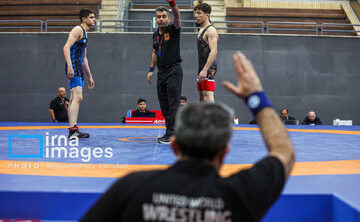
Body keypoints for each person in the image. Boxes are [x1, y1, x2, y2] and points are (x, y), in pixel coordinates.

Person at [80, 52, 295, 222]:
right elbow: (284, 153)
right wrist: (256, 98)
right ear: (224, 152)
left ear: (174, 146)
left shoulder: (131, 187)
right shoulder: (240, 195)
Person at [147, 0, 183, 144]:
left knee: (173, 103)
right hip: (161, 72)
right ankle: (170, 132)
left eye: (163, 16)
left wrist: (172, 3)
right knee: (164, 104)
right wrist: (150, 70)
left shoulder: (173, 29)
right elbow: (155, 52)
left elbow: (177, 16)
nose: (161, 19)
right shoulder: (156, 34)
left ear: (168, 18)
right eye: (158, 17)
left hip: (174, 70)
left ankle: (172, 134)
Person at [63, 9, 95, 138]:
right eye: (91, 17)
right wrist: (70, 66)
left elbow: (84, 57)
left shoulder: (86, 34)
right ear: (84, 19)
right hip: (74, 66)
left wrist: (90, 76)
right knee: (78, 97)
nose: (94, 20)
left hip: (79, 67)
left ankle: (73, 129)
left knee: (73, 98)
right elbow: (65, 47)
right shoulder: (77, 30)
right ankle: (73, 130)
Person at [194, 3, 218, 102]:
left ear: (207, 15)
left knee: (208, 96)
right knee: (201, 98)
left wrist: (205, 69)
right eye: (195, 13)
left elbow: (214, 52)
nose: (196, 15)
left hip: (208, 67)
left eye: (199, 13)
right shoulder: (201, 29)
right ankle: (203, 117)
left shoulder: (210, 30)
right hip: (202, 66)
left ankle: (214, 118)